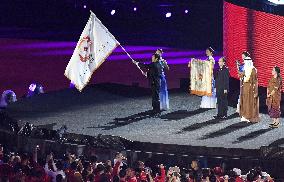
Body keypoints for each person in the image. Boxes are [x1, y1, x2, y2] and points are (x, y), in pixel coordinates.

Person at [238, 51, 259, 122]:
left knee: (249, 103)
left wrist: (255, 91)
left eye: (246, 62)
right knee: (244, 102)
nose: (245, 63)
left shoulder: (253, 70)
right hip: (244, 88)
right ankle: (244, 116)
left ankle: (249, 116)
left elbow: (255, 81)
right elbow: (241, 76)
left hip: (250, 89)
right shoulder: (245, 69)